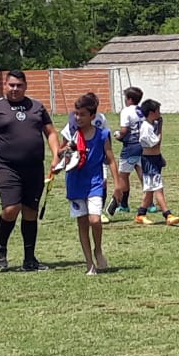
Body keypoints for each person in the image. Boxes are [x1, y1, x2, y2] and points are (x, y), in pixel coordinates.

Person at [0, 69, 61, 272]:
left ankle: (29, 259)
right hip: (7, 167)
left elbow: (50, 132)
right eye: (11, 85)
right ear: (5, 85)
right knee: (11, 209)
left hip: (34, 167)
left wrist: (56, 155)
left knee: (30, 211)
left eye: (19, 85)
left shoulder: (37, 107)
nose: (15, 89)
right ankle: (2, 246)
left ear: (25, 86)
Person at [64, 94, 116, 275]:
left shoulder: (102, 135)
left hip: (94, 182)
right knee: (82, 223)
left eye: (82, 114)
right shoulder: (71, 133)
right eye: (76, 114)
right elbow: (60, 154)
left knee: (95, 219)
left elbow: (110, 159)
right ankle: (89, 263)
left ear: (92, 116)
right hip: (75, 183)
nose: (78, 118)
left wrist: (118, 184)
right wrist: (66, 151)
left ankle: (98, 249)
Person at [133, 99, 179, 226]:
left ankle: (140, 214)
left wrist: (160, 157)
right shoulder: (146, 128)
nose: (160, 113)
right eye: (158, 111)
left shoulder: (150, 125)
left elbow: (156, 148)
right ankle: (167, 214)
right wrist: (160, 128)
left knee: (149, 190)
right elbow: (155, 142)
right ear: (151, 112)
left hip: (155, 159)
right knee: (158, 188)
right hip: (149, 162)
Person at [109, 86, 143, 216]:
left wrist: (118, 136)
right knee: (142, 173)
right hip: (142, 145)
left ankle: (124, 205)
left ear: (129, 99)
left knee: (123, 176)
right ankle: (150, 203)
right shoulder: (141, 111)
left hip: (130, 146)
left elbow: (124, 130)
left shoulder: (126, 111)